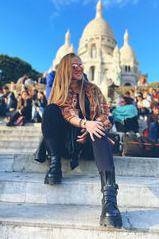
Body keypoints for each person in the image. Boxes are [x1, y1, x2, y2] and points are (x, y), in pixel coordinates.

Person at [41, 53, 122, 228]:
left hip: (88, 142)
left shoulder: (93, 89)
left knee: (98, 127)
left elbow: (106, 114)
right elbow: (66, 111)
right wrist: (85, 123)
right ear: (64, 69)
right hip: (64, 142)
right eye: (74, 66)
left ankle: (109, 198)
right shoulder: (59, 89)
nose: (79, 68)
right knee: (50, 110)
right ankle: (55, 164)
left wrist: (91, 126)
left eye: (80, 65)